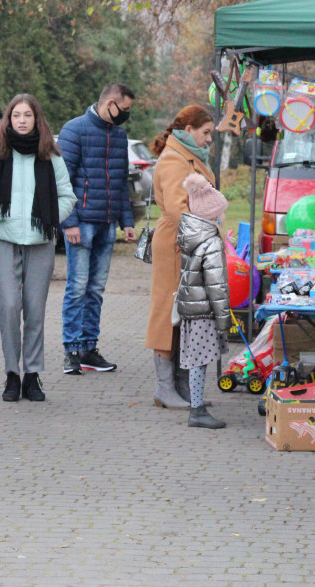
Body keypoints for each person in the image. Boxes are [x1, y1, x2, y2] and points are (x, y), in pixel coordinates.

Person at [0, 94, 77, 402]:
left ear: (37, 119)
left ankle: (32, 375)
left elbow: (68, 196)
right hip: (3, 240)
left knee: (34, 311)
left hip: (41, 242)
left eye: (27, 115)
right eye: (16, 115)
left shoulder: (51, 155)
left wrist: (50, 218)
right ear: (8, 120)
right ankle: (12, 373)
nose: (21, 120)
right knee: (9, 306)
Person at [58, 83, 137, 376]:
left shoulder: (119, 135)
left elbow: (120, 183)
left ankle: (89, 348)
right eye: (125, 110)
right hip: (81, 223)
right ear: (111, 103)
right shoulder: (74, 130)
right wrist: (69, 222)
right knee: (77, 287)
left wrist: (127, 222)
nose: (126, 115)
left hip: (107, 224)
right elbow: (62, 181)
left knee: (96, 289)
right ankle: (71, 351)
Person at [144, 105, 218, 410]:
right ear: (189, 130)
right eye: (206, 133)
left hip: (189, 243)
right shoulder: (175, 160)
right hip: (178, 245)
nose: (209, 139)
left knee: (187, 315)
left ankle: (184, 386)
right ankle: (165, 388)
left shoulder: (188, 156)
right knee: (168, 314)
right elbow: (178, 209)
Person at [175, 173, 230, 428]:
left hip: (191, 308)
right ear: (213, 215)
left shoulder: (191, 236)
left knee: (196, 358)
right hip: (204, 312)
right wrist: (224, 320)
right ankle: (196, 410)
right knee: (199, 361)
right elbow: (217, 287)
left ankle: (196, 407)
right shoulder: (211, 243)